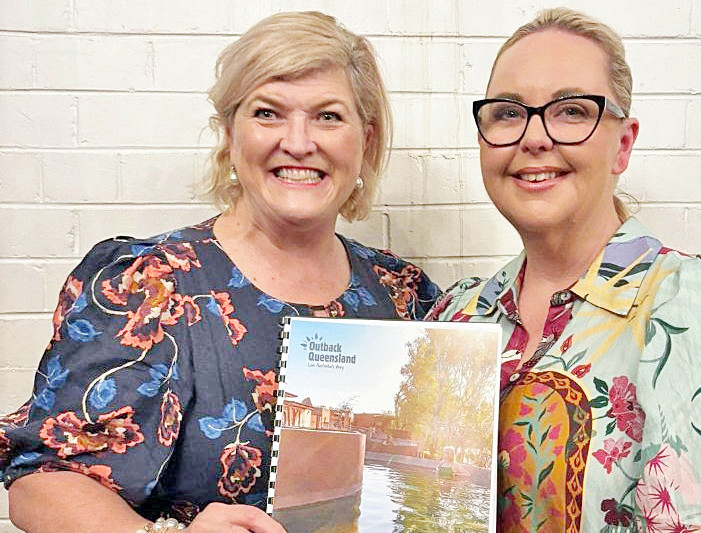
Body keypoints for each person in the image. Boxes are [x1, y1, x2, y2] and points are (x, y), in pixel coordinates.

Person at [1, 11, 440, 533]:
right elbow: (42, 481)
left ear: (364, 141)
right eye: (268, 113)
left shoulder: (403, 294)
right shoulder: (149, 283)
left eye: (328, 116)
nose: (299, 143)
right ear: (231, 133)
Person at [428, 7, 701, 532]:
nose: (534, 137)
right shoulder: (458, 314)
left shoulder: (698, 311)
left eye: (572, 111)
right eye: (508, 113)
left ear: (622, 145)